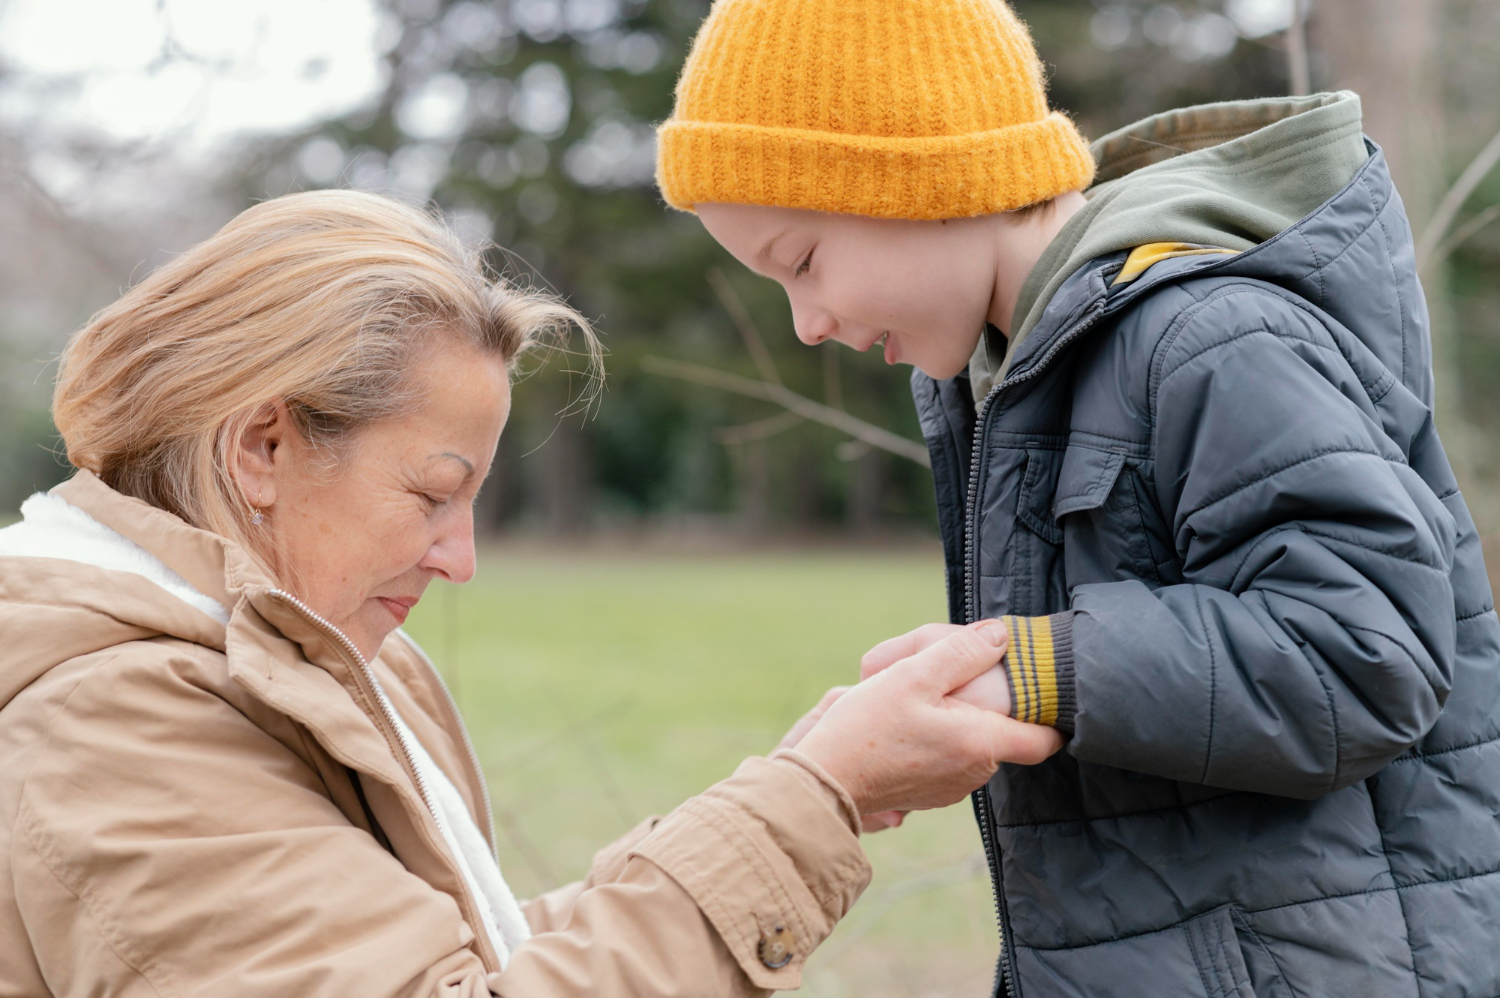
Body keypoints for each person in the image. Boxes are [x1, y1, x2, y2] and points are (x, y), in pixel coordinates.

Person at [0, 190, 1062, 997]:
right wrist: (809, 798)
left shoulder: (296, 650)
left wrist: (816, 784)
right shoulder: (104, 718)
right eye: (431, 493)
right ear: (264, 447)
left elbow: (461, 956)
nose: (460, 558)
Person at [656, 0, 1500, 994]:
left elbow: (1365, 654)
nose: (804, 324)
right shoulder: (1008, 382)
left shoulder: (1211, 337)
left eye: (800, 261)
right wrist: (962, 694)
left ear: (926, 176)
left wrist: (1037, 667)